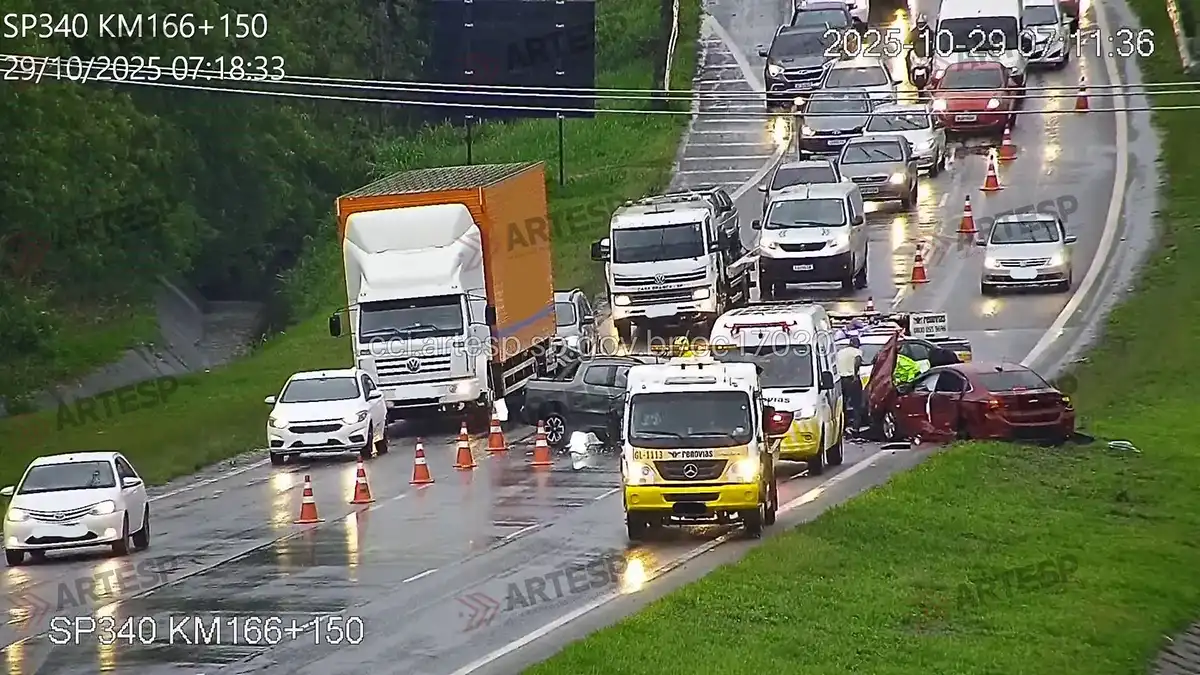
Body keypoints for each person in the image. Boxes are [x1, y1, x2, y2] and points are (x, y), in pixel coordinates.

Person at [836, 336, 864, 433]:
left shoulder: (840, 352)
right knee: (857, 404)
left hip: (841, 379)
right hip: (852, 379)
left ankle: (843, 426)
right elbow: (857, 360)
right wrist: (855, 374)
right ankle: (856, 427)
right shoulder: (857, 352)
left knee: (843, 404)